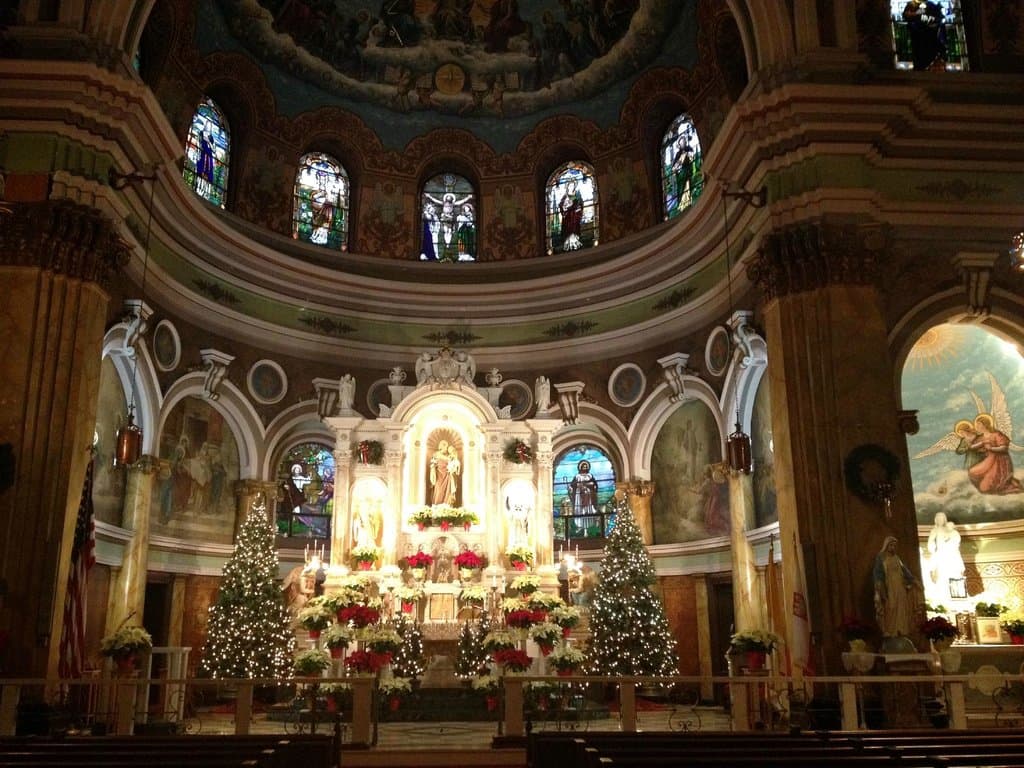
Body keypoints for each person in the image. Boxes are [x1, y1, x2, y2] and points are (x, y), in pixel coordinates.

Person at [873, 536, 920, 638]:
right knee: (890, 607)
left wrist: (913, 580)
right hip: (889, 587)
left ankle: (901, 631)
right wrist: (879, 587)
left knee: (901, 608)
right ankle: (890, 631)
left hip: (899, 587)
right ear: (886, 545)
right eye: (891, 545)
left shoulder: (897, 558)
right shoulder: (881, 558)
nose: (893, 547)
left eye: (894, 545)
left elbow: (905, 570)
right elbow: (878, 573)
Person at [965, 413, 1023, 495]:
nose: (977, 427)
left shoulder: (996, 434)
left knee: (985, 489)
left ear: (985, 425)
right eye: (976, 425)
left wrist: (991, 448)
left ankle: (1009, 485)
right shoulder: (981, 437)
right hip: (989, 460)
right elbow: (974, 447)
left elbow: (1004, 447)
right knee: (972, 472)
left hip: (1000, 461)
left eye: (978, 425)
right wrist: (971, 443)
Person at [902, 0, 945, 71]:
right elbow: (906, 16)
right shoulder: (911, 4)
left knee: (930, 54)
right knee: (918, 54)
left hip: (930, 36)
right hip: (917, 36)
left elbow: (938, 19)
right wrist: (916, 15)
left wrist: (932, 23)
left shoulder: (931, 5)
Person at [430, 439, 460, 506]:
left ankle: (446, 508)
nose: (446, 449)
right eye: (446, 447)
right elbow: (433, 463)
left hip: (447, 476)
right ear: (442, 446)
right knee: (439, 491)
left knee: (447, 492)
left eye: (447, 447)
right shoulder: (436, 454)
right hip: (439, 476)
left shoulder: (448, 456)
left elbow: (454, 463)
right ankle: (436, 507)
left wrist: (452, 467)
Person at [558, 179, 584, 251]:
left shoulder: (577, 195)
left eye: (573, 185)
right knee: (568, 229)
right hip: (567, 216)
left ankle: (576, 244)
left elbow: (580, 203)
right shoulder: (565, 196)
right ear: (568, 187)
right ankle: (568, 245)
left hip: (575, 215)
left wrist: (578, 207)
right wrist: (564, 207)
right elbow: (561, 205)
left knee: (574, 228)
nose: (571, 187)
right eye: (570, 185)